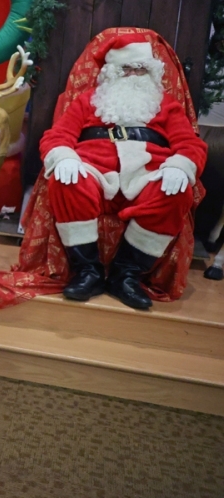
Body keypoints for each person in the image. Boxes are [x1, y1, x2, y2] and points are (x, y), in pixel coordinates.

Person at [41, 33, 207, 309]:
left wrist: (180, 166)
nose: (133, 75)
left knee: (175, 193)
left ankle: (126, 275)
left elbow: (190, 144)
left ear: (151, 73)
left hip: (148, 175)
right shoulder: (88, 101)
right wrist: (64, 157)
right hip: (94, 171)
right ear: (111, 72)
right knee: (66, 181)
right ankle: (88, 272)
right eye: (126, 68)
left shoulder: (166, 105)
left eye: (141, 69)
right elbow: (57, 136)